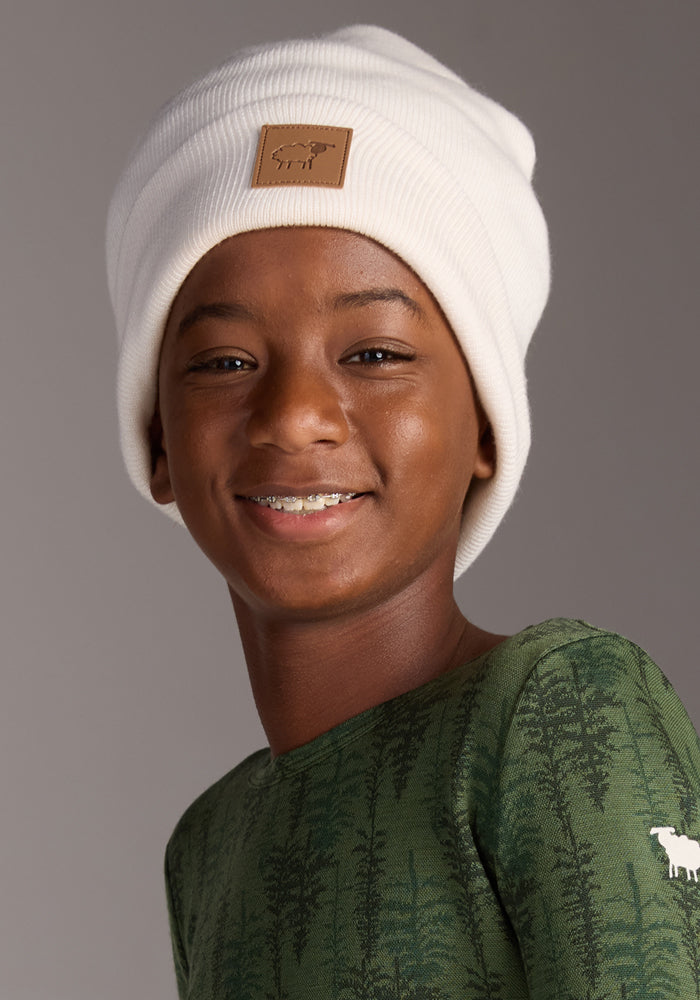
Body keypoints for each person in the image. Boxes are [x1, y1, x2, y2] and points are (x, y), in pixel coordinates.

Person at [106, 24, 700, 1000]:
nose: (295, 415)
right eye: (223, 362)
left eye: (373, 353)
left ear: (486, 427)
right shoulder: (208, 848)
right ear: (158, 441)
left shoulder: (558, 710)